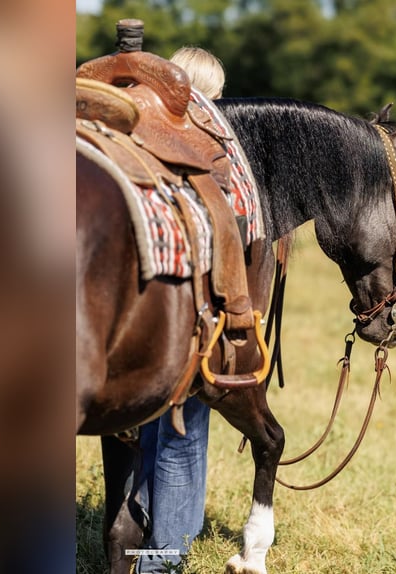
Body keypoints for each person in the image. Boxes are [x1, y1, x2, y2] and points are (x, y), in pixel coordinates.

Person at [135, 47, 226, 574]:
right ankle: (163, 560)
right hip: (185, 314)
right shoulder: (203, 146)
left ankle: (144, 526)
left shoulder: (136, 136)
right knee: (183, 434)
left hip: (143, 313)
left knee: (150, 425)